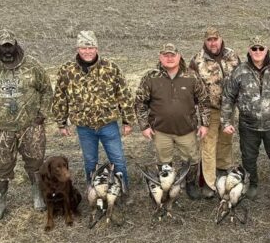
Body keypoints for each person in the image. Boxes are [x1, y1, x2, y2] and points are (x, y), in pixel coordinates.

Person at [0, 29, 53, 222]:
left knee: (35, 163)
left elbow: (47, 91)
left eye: (10, 46)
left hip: (31, 127)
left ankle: (37, 195)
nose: (7, 51)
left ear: (16, 44)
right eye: (3, 47)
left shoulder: (32, 65)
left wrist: (41, 115)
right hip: (0, 129)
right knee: (1, 167)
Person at [51, 31, 135, 194]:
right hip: (84, 127)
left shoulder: (110, 67)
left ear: (96, 48)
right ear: (77, 48)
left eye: (90, 47)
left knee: (118, 160)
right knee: (90, 162)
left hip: (108, 125)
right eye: (83, 47)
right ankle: (93, 192)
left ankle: (122, 191)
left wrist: (127, 121)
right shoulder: (67, 70)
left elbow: (123, 94)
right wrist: (61, 123)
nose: (87, 51)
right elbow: (60, 97)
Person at [221, 36, 270, 200]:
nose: (257, 52)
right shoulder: (240, 71)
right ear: (249, 50)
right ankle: (252, 183)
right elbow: (228, 97)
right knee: (248, 158)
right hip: (248, 125)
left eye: (261, 48)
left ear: (266, 49)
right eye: (254, 48)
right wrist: (226, 121)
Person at [134, 43, 210, 199]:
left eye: (172, 55)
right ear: (160, 57)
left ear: (179, 56)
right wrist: (144, 126)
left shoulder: (191, 76)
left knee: (192, 159)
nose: (169, 58)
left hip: (187, 129)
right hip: (161, 130)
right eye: (166, 55)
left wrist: (205, 123)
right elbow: (140, 102)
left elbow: (204, 100)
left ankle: (190, 184)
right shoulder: (150, 77)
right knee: (164, 161)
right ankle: (166, 185)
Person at [189, 27, 241, 198]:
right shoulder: (197, 61)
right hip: (209, 111)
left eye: (215, 39)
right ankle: (209, 184)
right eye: (209, 40)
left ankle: (223, 175)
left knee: (226, 142)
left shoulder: (232, 56)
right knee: (208, 146)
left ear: (220, 39)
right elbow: (192, 88)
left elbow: (241, 79)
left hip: (229, 109)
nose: (212, 43)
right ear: (205, 41)